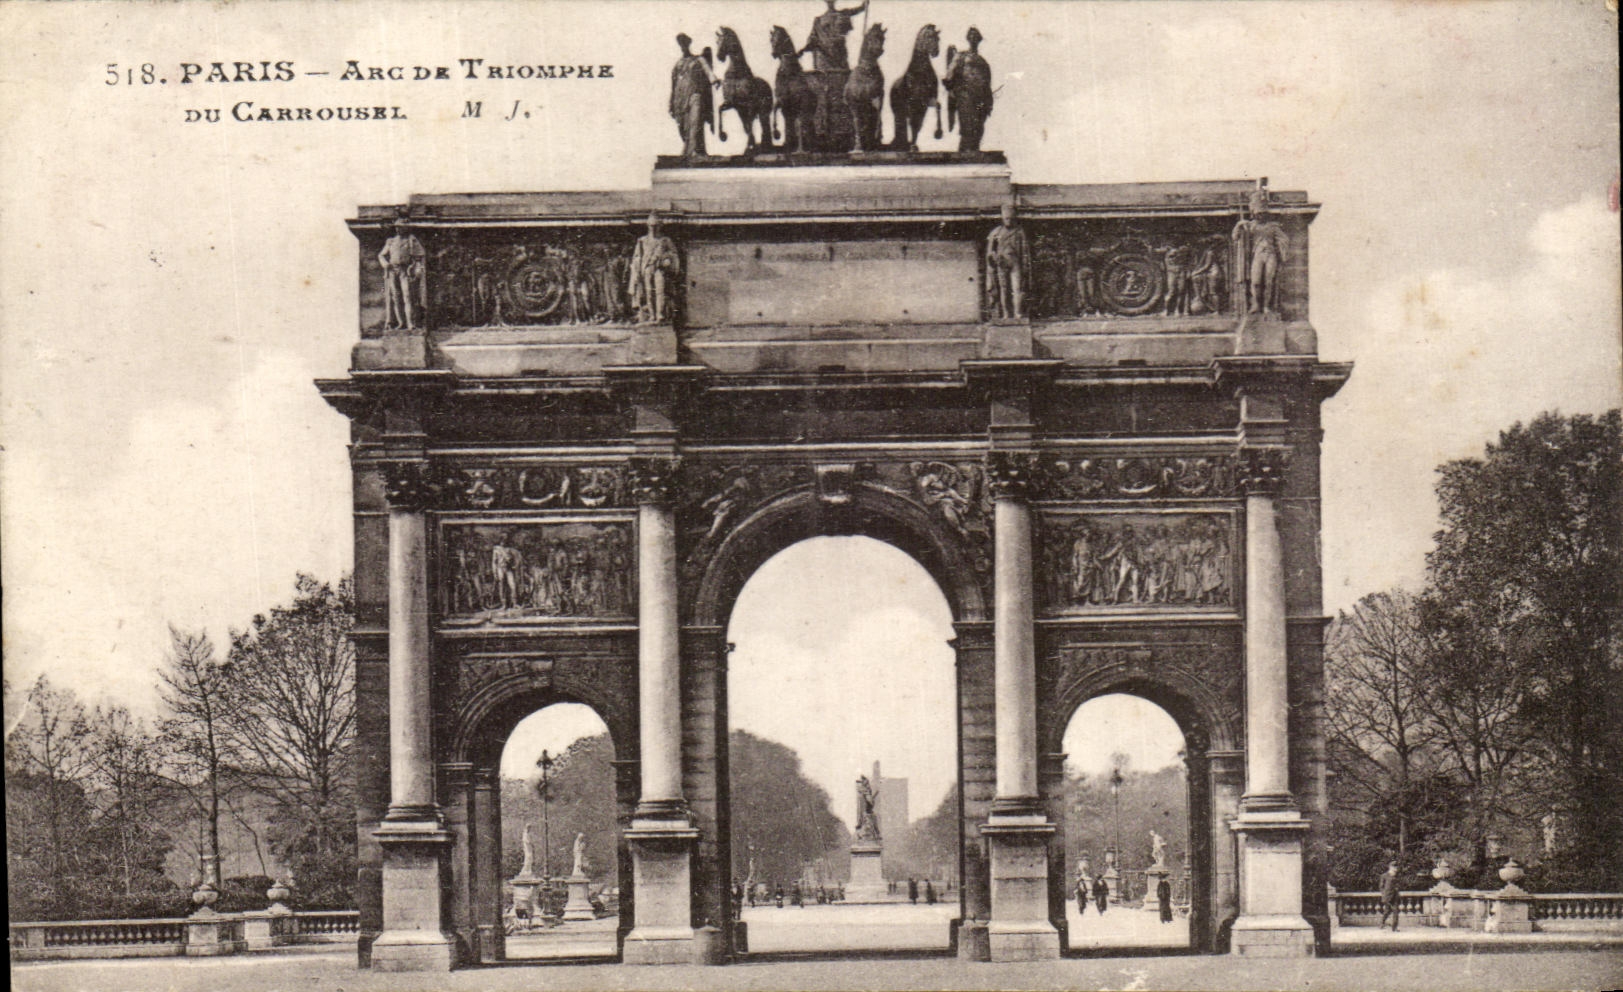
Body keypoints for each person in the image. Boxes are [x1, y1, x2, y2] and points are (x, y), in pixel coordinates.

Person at [1378, 862, 1401, 931]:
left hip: (1395, 896)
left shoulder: (1396, 876)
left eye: (1396, 867)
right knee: (1387, 911)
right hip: (1387, 896)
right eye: (1394, 867)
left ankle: (1394, 927)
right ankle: (1382, 923)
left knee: (1396, 911)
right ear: (1390, 867)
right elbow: (1381, 887)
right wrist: (1384, 895)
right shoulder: (1384, 876)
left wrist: (1397, 891)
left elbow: (1398, 885)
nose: (1396, 869)